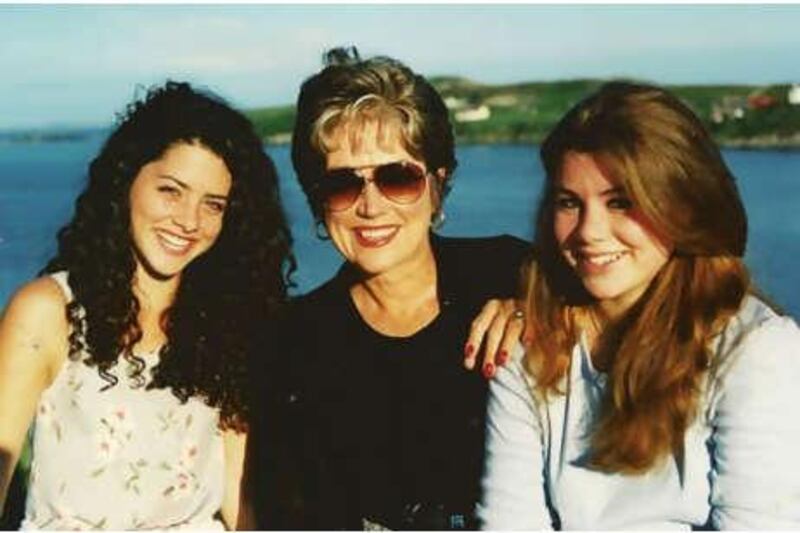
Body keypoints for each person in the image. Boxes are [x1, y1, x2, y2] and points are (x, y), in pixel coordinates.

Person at [478, 81, 800, 529]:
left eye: (622, 203)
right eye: (570, 202)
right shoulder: (529, 345)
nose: (590, 231)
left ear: (682, 206)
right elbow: (509, 522)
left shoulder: (754, 350)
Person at [246, 47, 529, 530]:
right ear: (319, 203)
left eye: (397, 178)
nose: (370, 206)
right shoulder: (292, 344)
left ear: (439, 183)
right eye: (342, 185)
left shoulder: (513, 272)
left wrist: (551, 311)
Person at [0, 81, 293, 529]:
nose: (189, 221)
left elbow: (239, 500)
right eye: (171, 191)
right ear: (125, 180)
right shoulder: (48, 312)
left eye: (212, 204)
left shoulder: (229, 322)